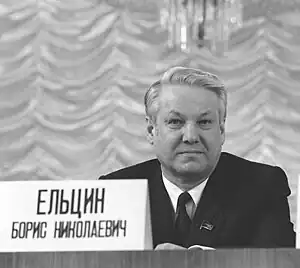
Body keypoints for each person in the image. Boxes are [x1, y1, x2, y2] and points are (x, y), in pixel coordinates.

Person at [99, 66, 295, 250]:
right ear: (152, 131)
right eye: (175, 122)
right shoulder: (116, 191)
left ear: (221, 130)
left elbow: (278, 262)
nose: (191, 136)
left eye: (204, 122)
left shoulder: (263, 187)